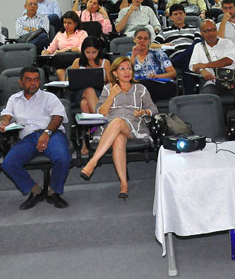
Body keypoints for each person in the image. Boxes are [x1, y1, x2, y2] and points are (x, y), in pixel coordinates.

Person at [80, 57, 158, 199]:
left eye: (129, 68)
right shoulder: (107, 89)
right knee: (118, 139)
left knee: (117, 122)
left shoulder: (140, 89)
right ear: (115, 73)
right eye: (122, 69)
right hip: (111, 128)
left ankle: (93, 162)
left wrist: (144, 112)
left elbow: (153, 109)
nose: (127, 71)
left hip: (133, 126)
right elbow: (100, 112)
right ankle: (124, 184)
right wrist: (111, 96)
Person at [1, 66, 71, 210]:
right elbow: (6, 115)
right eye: (29, 80)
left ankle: (53, 192)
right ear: (21, 82)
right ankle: (36, 191)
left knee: (63, 158)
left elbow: (58, 117)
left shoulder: (49, 97)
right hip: (27, 138)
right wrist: (3, 122)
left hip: (52, 134)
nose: (33, 83)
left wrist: (47, 133)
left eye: (36, 80)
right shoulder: (14, 99)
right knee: (8, 163)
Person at [69, 36, 111, 154]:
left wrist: (105, 80)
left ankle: (86, 140)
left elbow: (112, 83)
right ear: (83, 51)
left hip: (101, 95)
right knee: (88, 90)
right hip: (78, 94)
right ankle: (101, 124)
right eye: (88, 52)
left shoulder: (105, 63)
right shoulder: (77, 62)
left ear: (99, 51)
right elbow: (70, 81)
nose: (91, 55)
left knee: (85, 103)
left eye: (94, 52)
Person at [189, 19, 235, 97]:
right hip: (213, 83)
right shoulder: (198, 47)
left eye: (213, 30)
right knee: (205, 97)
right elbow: (194, 66)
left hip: (233, 81)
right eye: (207, 31)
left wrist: (204, 65)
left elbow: (228, 61)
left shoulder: (227, 43)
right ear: (201, 33)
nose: (211, 33)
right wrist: (202, 71)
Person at [127, 27, 177, 101]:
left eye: (145, 39)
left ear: (149, 41)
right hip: (139, 88)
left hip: (160, 86)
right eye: (139, 38)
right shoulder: (129, 56)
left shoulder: (159, 53)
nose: (142, 41)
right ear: (134, 39)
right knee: (138, 86)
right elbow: (127, 75)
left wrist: (157, 76)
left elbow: (173, 74)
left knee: (142, 85)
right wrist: (134, 55)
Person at [43, 11, 88, 80]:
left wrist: (66, 50)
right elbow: (51, 48)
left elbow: (82, 48)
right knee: (59, 71)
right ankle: (65, 90)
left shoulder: (82, 33)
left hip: (76, 61)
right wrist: (46, 52)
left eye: (69, 23)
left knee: (71, 72)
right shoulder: (60, 34)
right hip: (61, 62)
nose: (66, 25)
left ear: (75, 24)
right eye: (64, 22)